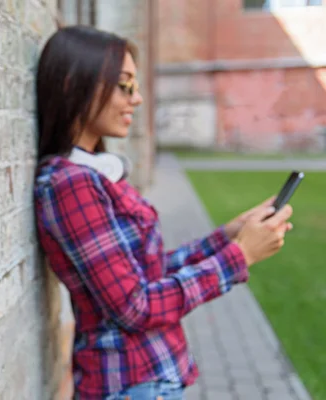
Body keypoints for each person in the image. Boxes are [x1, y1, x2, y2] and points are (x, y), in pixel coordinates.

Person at [33, 26, 293, 400]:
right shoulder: (70, 185)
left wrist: (228, 237)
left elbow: (144, 275)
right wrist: (241, 255)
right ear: (75, 84)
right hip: (131, 385)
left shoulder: (90, 173)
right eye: (124, 85)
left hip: (145, 381)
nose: (137, 99)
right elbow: (136, 307)